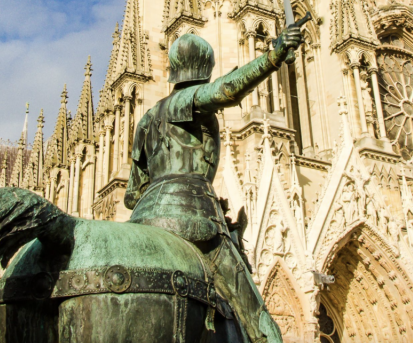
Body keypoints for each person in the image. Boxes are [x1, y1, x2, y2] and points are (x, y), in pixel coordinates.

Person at [125, 22, 306, 343]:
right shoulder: (186, 101)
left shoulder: (146, 121)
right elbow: (228, 90)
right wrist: (274, 55)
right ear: (203, 70)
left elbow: (132, 194)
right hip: (192, 219)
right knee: (258, 319)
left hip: (142, 223)